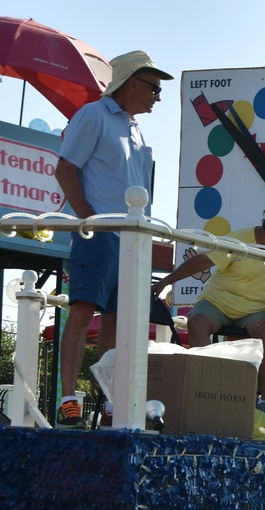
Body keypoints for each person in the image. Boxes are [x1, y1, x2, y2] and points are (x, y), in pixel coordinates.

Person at [53, 50, 174, 428]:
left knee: (117, 321)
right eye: (155, 88)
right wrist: (90, 220)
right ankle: (68, 399)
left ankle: (109, 402)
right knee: (83, 311)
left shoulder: (135, 127)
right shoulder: (92, 115)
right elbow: (65, 170)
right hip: (102, 233)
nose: (158, 96)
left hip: (133, 239)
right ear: (132, 82)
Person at [152, 201, 265, 417]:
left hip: (255, 310)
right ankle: (206, 389)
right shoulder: (238, 239)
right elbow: (201, 262)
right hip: (218, 302)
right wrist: (166, 281)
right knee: (196, 322)